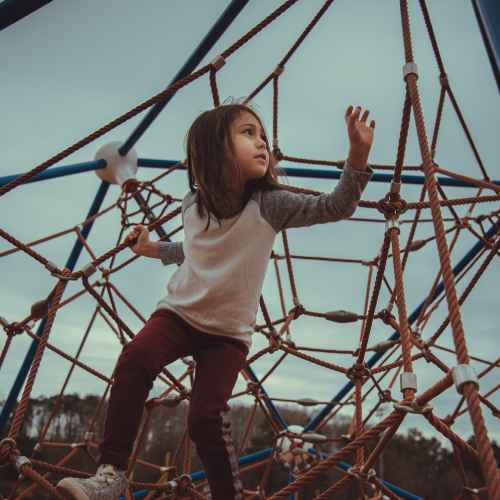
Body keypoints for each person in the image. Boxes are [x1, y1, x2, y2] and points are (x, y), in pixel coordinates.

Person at [57, 102, 375, 500]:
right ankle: (112, 472)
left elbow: (335, 206)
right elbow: (193, 249)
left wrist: (357, 156)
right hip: (179, 312)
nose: (262, 143)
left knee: (206, 417)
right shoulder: (193, 204)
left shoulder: (270, 204)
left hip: (226, 334)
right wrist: (152, 249)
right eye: (248, 133)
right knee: (136, 358)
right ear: (213, 149)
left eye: (262, 136)